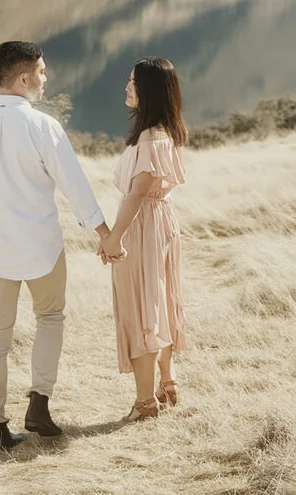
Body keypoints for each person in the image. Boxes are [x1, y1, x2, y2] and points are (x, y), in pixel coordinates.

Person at [0, 40, 121, 450]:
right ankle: (39, 404)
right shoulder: (43, 126)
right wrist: (105, 235)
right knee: (50, 318)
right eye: (42, 73)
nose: (46, 79)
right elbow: (75, 187)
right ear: (24, 78)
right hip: (42, 248)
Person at [99, 57, 189, 421]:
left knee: (142, 308)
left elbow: (137, 193)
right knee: (159, 302)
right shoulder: (167, 132)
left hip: (143, 226)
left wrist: (114, 237)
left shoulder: (150, 139)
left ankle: (145, 401)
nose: (126, 86)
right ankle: (167, 383)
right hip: (162, 221)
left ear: (149, 90)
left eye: (133, 82)